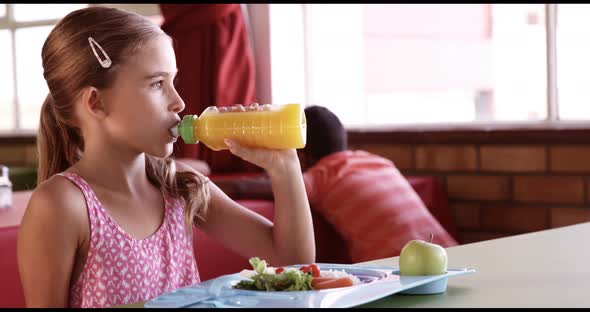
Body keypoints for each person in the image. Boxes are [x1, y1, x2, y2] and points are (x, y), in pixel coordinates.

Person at [16, 7, 314, 308]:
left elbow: (291, 261)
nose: (179, 102)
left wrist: (285, 167)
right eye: (157, 84)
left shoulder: (180, 187)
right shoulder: (62, 204)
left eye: (173, 82)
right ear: (96, 102)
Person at [215, 105, 458, 263]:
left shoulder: (322, 177)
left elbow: (249, 187)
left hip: (395, 267)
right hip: (450, 255)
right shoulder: (376, 161)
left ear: (303, 155)